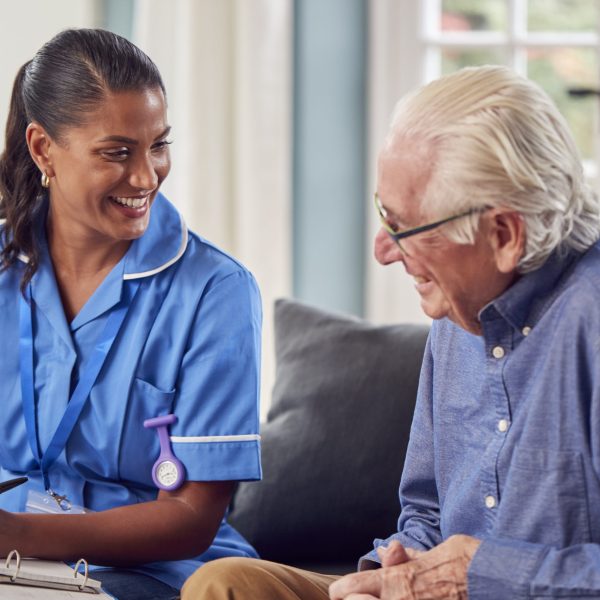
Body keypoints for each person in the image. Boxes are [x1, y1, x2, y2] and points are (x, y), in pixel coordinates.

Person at [181, 65, 600, 599]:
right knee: (227, 583)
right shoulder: (457, 312)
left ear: (503, 234)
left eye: (406, 226)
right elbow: (424, 512)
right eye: (385, 214)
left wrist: (489, 575)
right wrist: (390, 573)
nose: (383, 249)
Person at [0, 28, 262, 600]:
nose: (146, 177)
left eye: (158, 145)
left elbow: (190, 518)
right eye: (117, 152)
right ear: (43, 148)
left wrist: (16, 534)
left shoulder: (216, 292)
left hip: (150, 575)